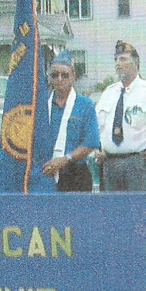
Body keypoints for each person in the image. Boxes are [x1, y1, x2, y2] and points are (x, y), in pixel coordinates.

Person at [96, 40, 146, 191]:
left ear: (136, 62)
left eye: (123, 59)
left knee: (138, 212)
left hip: (138, 165)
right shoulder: (108, 93)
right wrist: (97, 149)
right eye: (116, 60)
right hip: (109, 164)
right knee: (112, 212)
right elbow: (96, 127)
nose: (118, 64)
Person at [41, 50, 100, 192]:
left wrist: (65, 159)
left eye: (65, 75)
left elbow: (91, 142)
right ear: (49, 77)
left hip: (76, 173)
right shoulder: (42, 105)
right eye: (55, 75)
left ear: (73, 76)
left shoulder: (85, 105)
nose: (60, 79)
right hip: (46, 172)